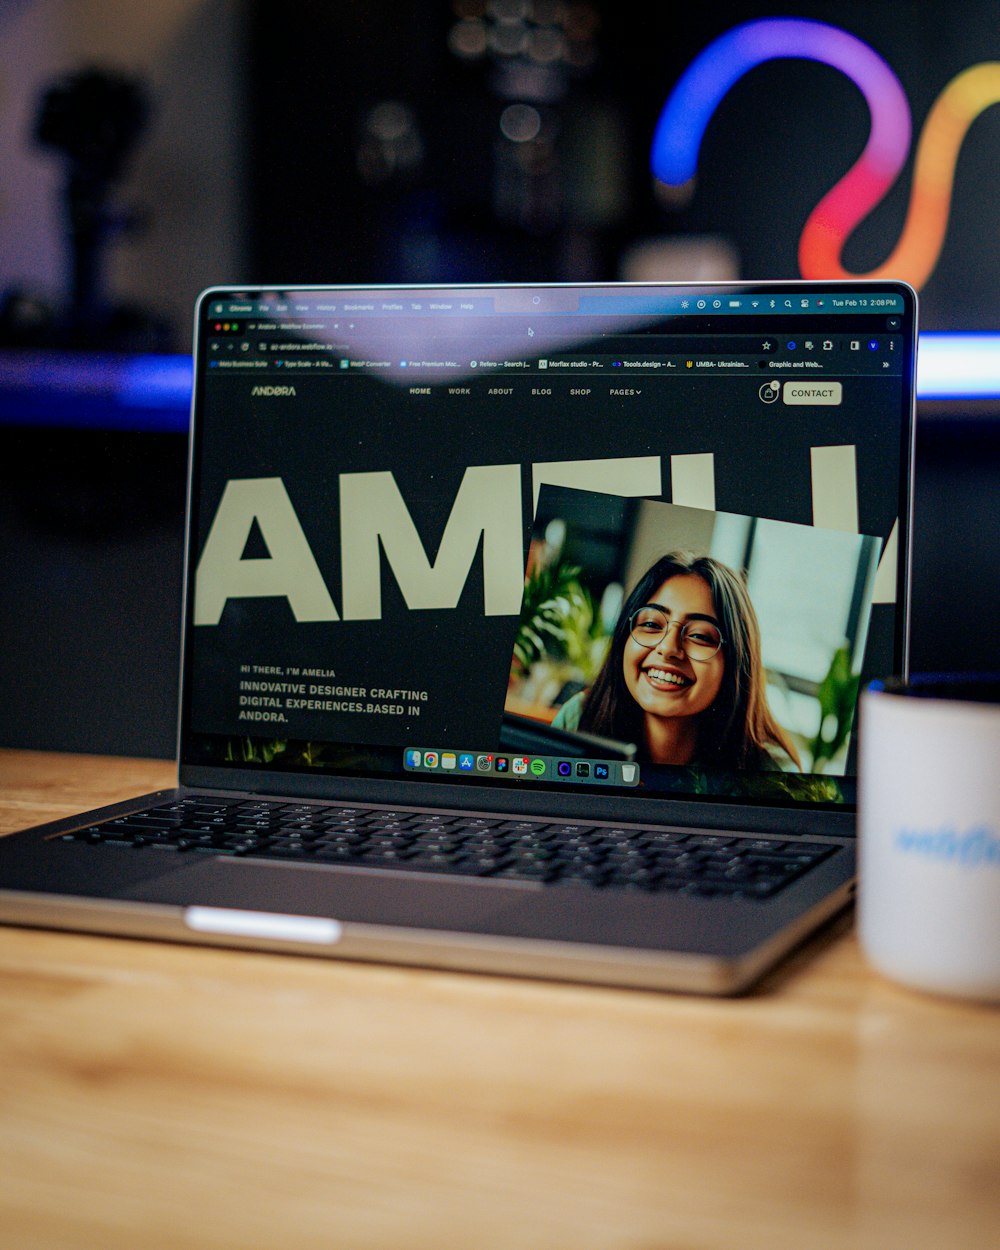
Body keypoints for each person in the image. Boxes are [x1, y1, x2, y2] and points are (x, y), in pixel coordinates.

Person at [553, 551, 799, 771]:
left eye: (700, 636)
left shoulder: (773, 776)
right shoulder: (579, 719)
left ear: (735, 663)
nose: (668, 647)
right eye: (651, 624)